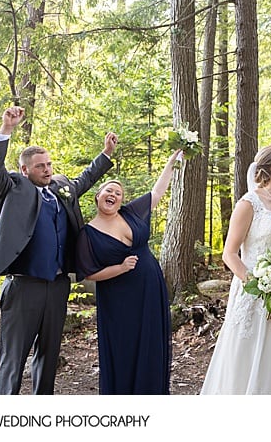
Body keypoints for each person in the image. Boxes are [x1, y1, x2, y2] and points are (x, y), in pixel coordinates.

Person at [0, 105, 117, 395]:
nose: (47, 170)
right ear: (25, 169)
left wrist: (105, 154)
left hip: (57, 285)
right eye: (41, 166)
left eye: (49, 165)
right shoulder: (12, 188)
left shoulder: (61, 186)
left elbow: (86, 180)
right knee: (14, 358)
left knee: (49, 354)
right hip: (23, 286)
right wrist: (6, 129)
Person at [200, 145, 271, 394]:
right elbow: (229, 253)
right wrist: (257, 284)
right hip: (252, 292)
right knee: (245, 354)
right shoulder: (249, 203)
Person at [75, 150, 180, 394]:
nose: (113, 194)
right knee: (125, 347)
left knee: (151, 343)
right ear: (98, 197)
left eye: (118, 193)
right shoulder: (87, 234)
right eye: (108, 191)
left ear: (122, 200)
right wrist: (119, 268)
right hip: (118, 299)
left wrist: (170, 164)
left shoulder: (130, 214)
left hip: (150, 289)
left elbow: (156, 193)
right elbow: (89, 274)